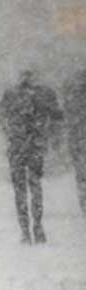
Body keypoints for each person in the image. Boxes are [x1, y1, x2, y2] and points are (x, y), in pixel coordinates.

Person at [0, 69, 62, 244]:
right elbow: (57, 116)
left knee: (20, 189)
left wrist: (10, 131)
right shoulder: (44, 93)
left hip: (17, 147)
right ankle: (37, 226)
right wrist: (50, 135)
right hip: (35, 146)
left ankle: (25, 230)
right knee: (35, 186)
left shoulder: (10, 94)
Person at [61, 68, 86, 218]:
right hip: (78, 140)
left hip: (77, 140)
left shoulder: (72, 96)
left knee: (81, 176)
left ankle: (84, 204)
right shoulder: (73, 97)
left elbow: (67, 117)